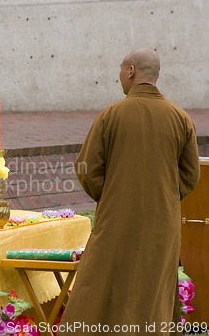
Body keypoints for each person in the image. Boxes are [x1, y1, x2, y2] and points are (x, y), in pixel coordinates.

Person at [58, 48, 200, 335]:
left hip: (116, 218)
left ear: (132, 71)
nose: (119, 75)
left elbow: (87, 167)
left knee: (101, 284)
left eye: (121, 68)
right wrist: (165, 198)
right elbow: (190, 175)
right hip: (163, 223)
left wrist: (113, 194)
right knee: (152, 287)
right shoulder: (180, 118)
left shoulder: (112, 114)